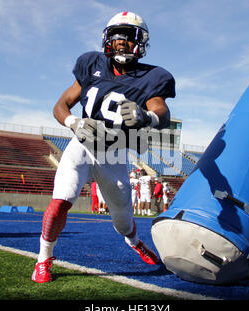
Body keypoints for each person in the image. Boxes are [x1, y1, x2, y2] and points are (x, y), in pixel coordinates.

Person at [32, 11, 175, 283]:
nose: (121, 42)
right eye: (116, 35)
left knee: (122, 222)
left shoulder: (153, 76)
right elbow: (60, 106)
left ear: (141, 41)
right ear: (107, 39)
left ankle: (133, 241)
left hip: (115, 152)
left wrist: (148, 117)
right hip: (82, 146)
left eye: (128, 36)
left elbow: (162, 111)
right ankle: (43, 259)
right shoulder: (91, 64)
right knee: (60, 202)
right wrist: (73, 122)